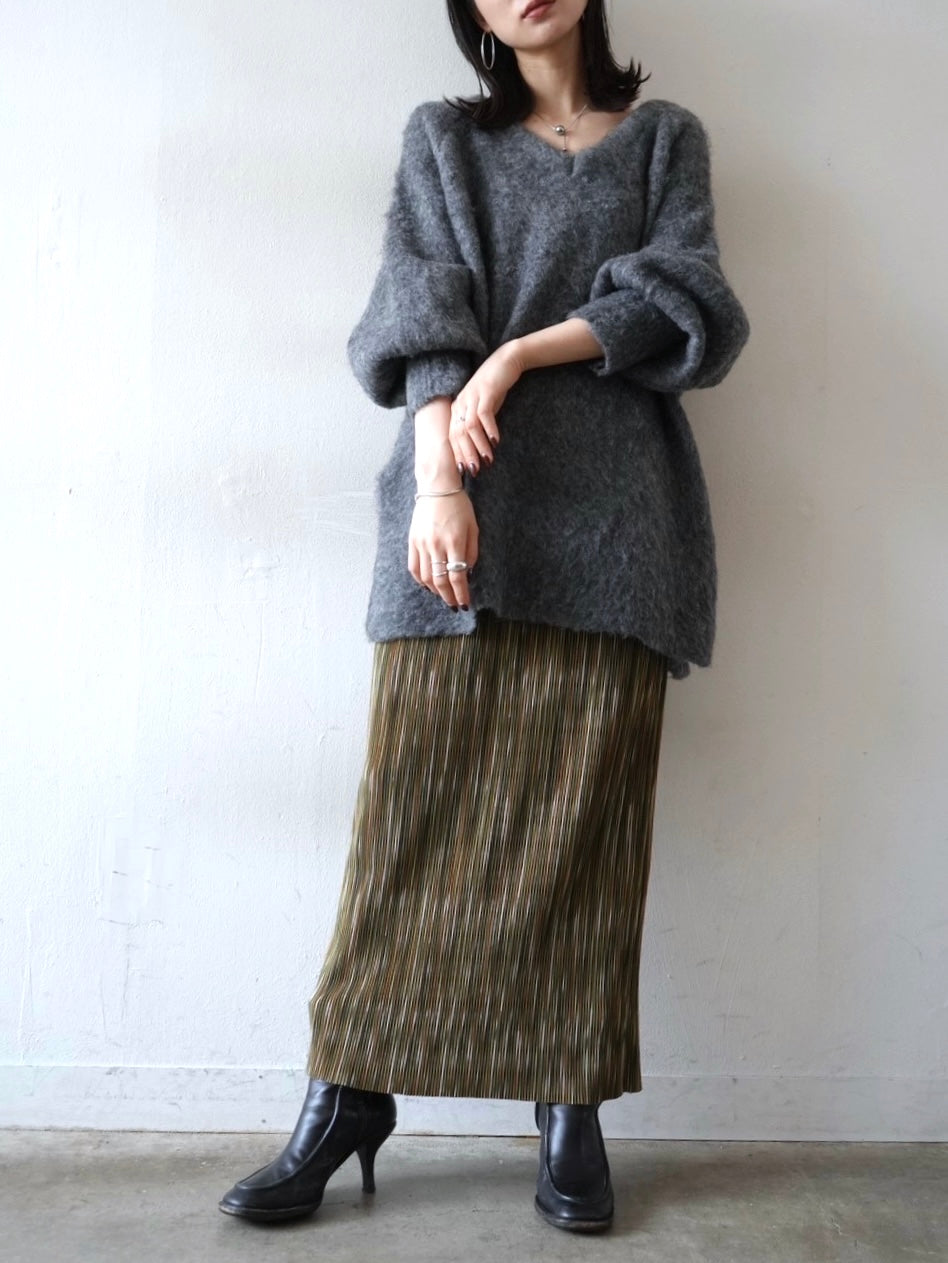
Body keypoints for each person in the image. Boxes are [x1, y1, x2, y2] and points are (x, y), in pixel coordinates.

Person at [219, 0, 750, 1235]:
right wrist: (440, 484)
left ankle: (569, 1105)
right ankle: (347, 1092)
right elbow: (418, 310)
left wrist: (511, 359)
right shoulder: (443, 140)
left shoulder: (664, 138)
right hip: (461, 514)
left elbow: (684, 301)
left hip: (620, 528)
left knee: (585, 831)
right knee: (409, 824)